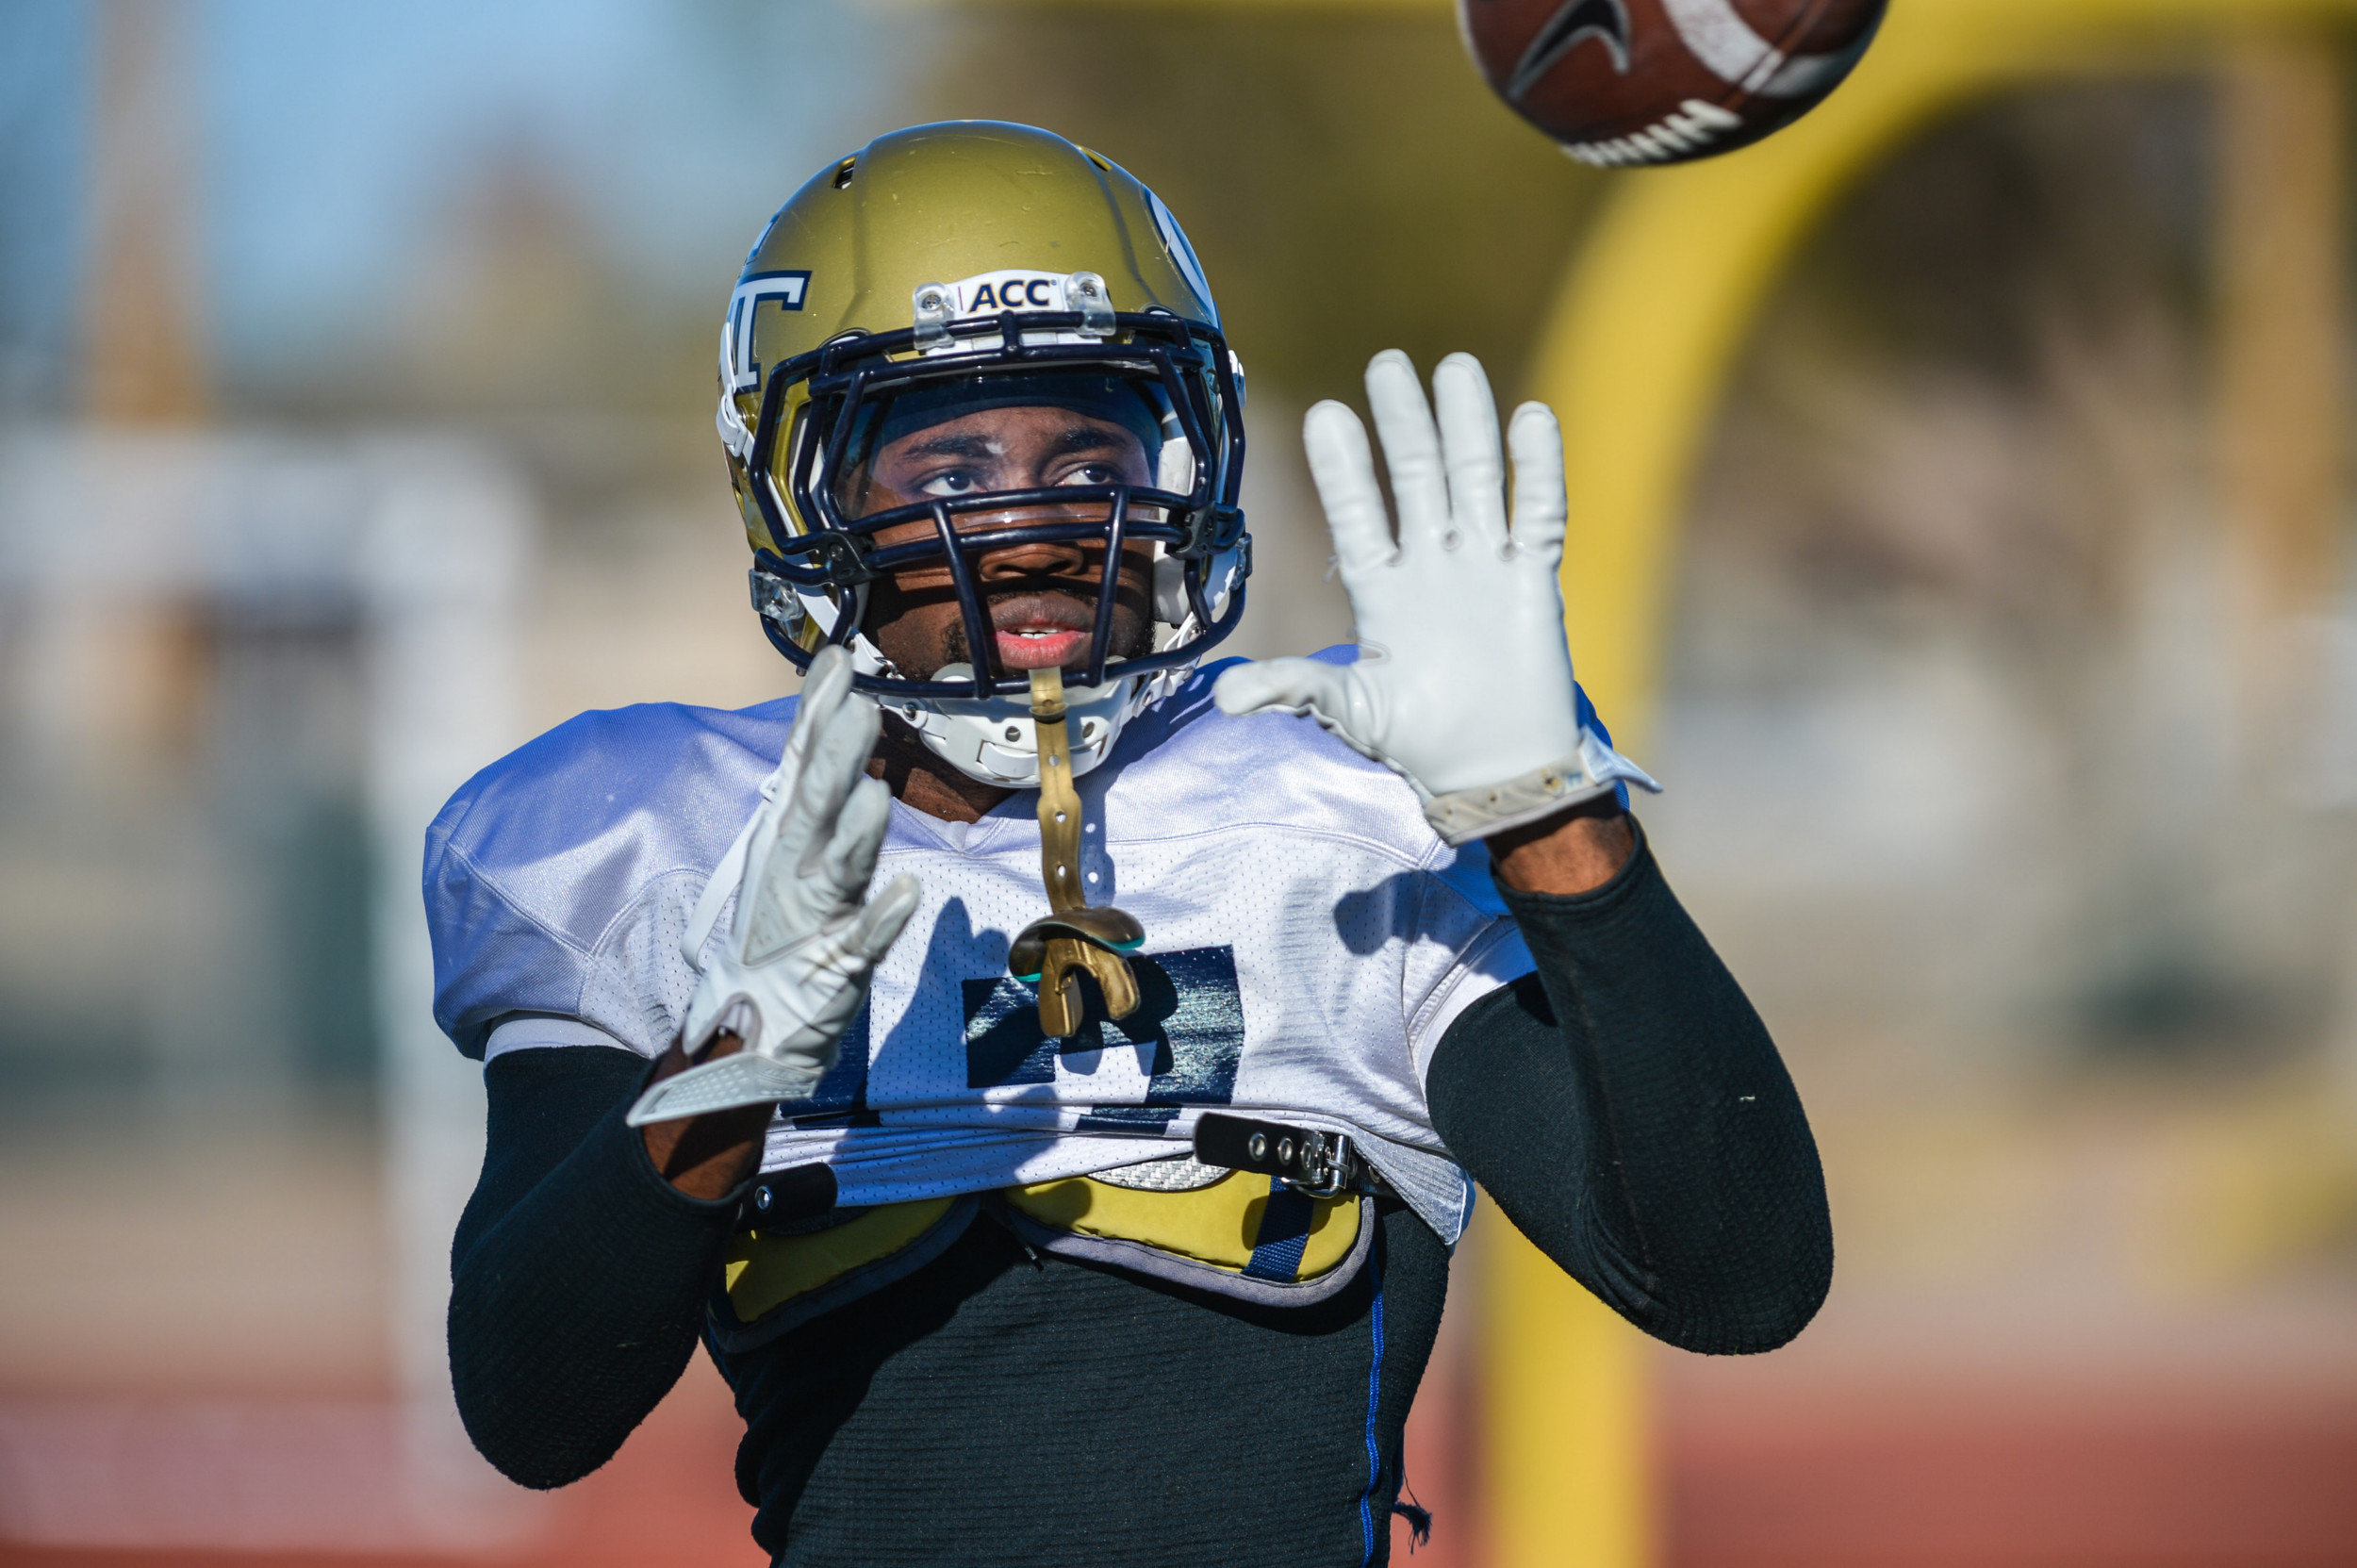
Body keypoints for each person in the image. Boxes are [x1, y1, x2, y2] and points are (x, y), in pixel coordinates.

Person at [429, 121, 1831, 1567]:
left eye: (1088, 455)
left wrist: (1552, 819)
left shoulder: (1340, 811)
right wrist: (723, 1072)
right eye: (952, 470)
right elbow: (533, 1412)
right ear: (804, 495)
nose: (1033, 525)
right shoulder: (657, 839)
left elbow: (1737, 1280)